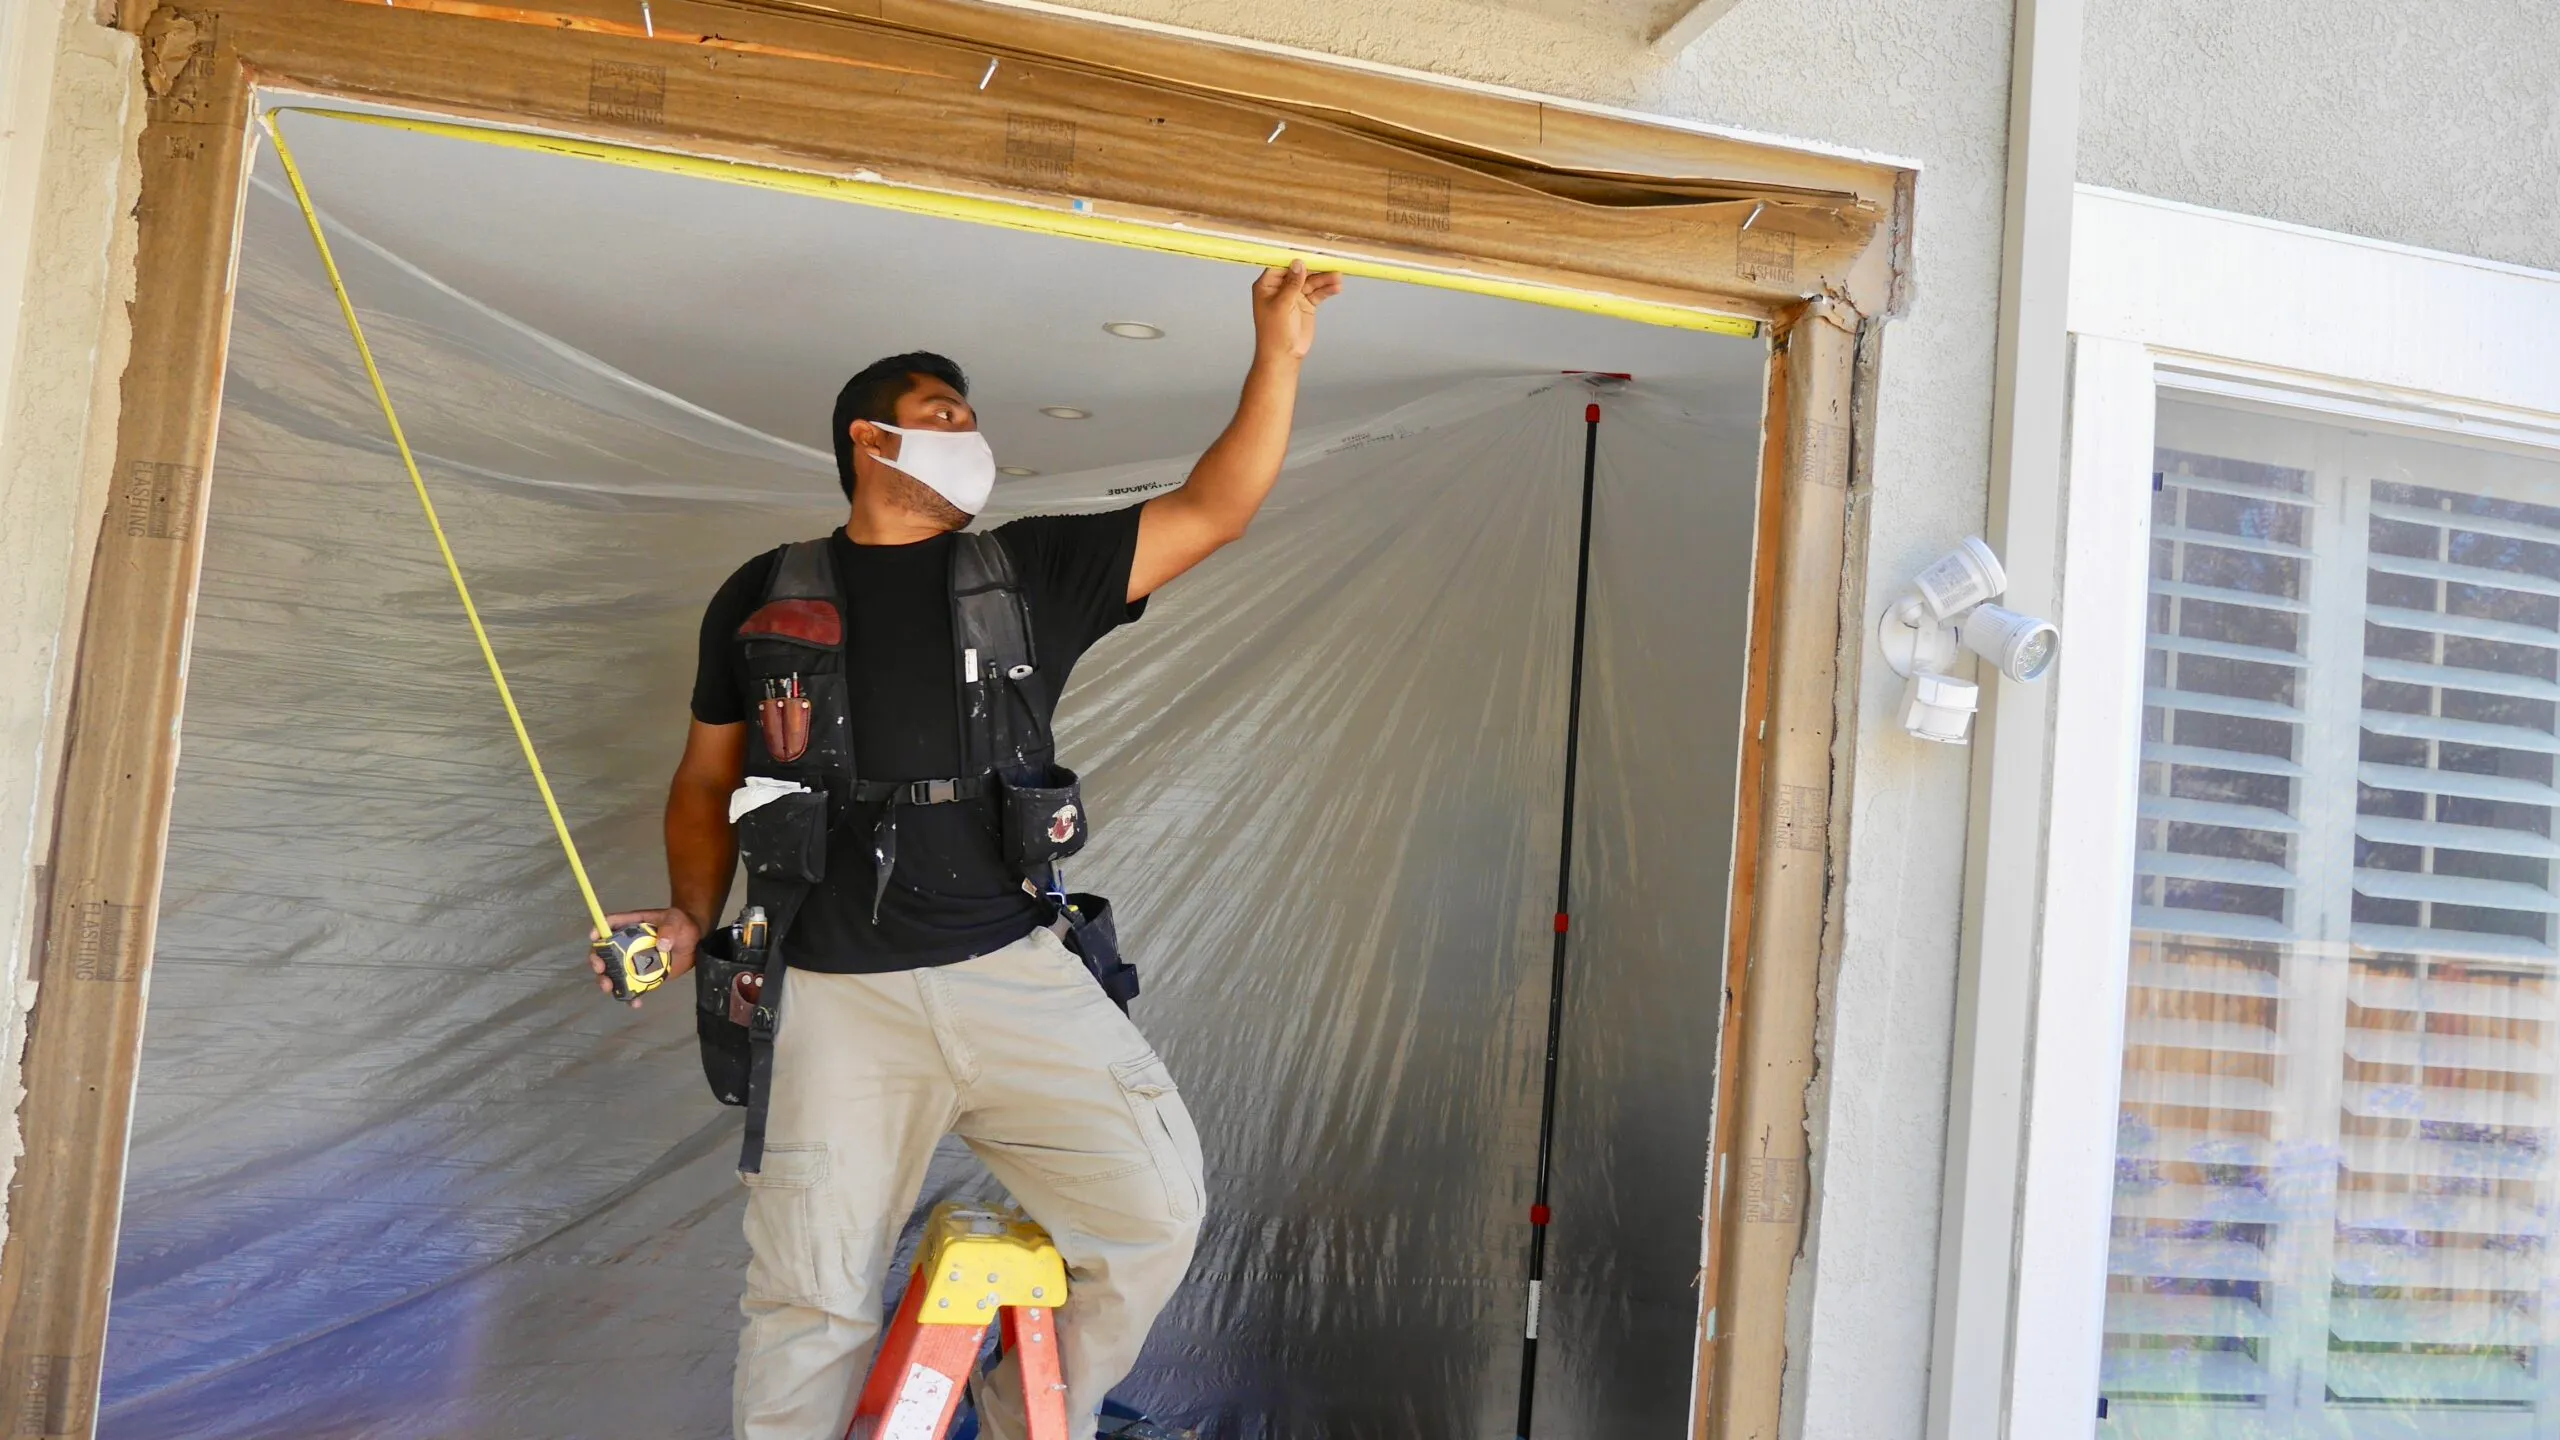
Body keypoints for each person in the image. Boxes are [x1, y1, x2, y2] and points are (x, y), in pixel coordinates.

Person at [597, 260, 1342, 1439]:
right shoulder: (761, 593)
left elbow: (1217, 507)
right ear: (869, 437)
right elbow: (704, 778)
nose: (970, 435)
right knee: (807, 1299)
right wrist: (690, 913)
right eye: (944, 415)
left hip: (1008, 971)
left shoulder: (1030, 572)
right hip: (832, 994)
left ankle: (1016, 1413)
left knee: (1152, 1215)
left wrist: (1281, 353)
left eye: (972, 420)